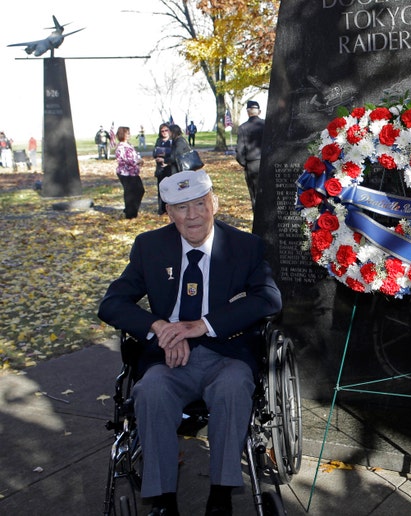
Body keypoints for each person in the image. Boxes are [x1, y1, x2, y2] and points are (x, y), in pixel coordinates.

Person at [98, 170, 283, 516]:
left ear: (215, 203)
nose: (193, 215)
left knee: (232, 388)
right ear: (169, 212)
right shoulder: (150, 247)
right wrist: (159, 327)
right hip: (167, 359)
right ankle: (163, 501)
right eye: (182, 208)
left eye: (200, 204)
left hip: (227, 353)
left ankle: (221, 496)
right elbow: (111, 303)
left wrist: (203, 325)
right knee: (150, 392)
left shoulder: (245, 246)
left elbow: (269, 298)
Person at [235, 100, 264, 210]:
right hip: (266, 164)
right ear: (259, 111)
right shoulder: (267, 125)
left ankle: (258, 218)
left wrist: (245, 163)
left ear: (248, 112)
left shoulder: (243, 127)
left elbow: (239, 151)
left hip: (252, 165)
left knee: (255, 196)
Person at [114, 126, 145, 219]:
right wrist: (138, 161)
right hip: (125, 173)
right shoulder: (121, 146)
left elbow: (135, 155)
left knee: (140, 190)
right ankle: (130, 214)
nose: (129, 135)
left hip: (133, 172)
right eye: (127, 133)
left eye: (129, 133)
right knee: (130, 193)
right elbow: (128, 160)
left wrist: (139, 159)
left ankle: (131, 210)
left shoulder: (128, 145)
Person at [153, 123, 174, 215]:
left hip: (170, 168)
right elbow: (155, 153)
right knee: (161, 189)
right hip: (160, 169)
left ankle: (171, 209)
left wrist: (164, 156)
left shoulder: (172, 141)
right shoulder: (159, 141)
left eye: (166, 130)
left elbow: (174, 154)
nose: (164, 132)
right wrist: (160, 155)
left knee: (171, 189)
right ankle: (161, 209)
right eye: (162, 131)